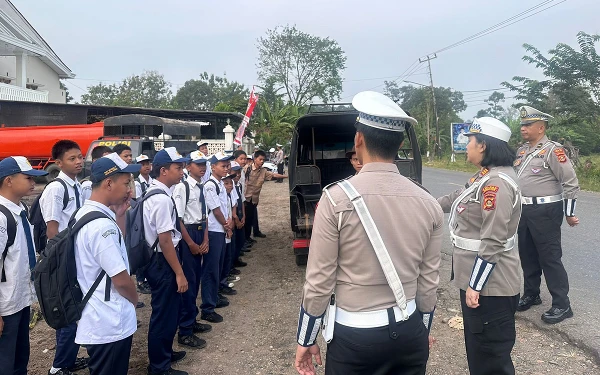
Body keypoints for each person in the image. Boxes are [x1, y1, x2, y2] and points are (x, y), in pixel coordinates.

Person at [294, 91, 442, 375]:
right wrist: (423, 330)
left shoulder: (336, 199)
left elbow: (319, 281)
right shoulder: (428, 202)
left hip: (355, 337)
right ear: (399, 143)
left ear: (358, 140)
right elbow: (428, 281)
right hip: (409, 331)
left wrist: (306, 337)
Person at [438, 117, 522, 375]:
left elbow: (493, 240)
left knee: (491, 357)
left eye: (470, 141)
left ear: (483, 145)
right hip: (480, 283)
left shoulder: (497, 185)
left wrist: (475, 285)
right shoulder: (484, 177)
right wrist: (420, 203)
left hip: (490, 287)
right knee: (480, 352)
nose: (467, 147)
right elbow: (454, 199)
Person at [73, 153, 140, 375]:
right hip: (109, 321)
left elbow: (110, 252)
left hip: (98, 316)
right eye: (125, 182)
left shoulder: (86, 213)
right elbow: (121, 280)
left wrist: (120, 215)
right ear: (109, 183)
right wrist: (135, 298)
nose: (129, 188)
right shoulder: (102, 226)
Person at [514, 106, 580, 324]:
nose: (523, 128)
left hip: (545, 211)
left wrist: (569, 213)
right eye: (522, 124)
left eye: (528, 125)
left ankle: (562, 304)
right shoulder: (522, 151)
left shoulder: (554, 150)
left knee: (550, 257)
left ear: (541, 128)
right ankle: (531, 294)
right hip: (524, 210)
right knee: (528, 255)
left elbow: (570, 181)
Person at [40, 140, 89, 375]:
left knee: (76, 312)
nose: (79, 161)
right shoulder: (56, 188)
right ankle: (58, 367)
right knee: (67, 313)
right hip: (62, 260)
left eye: (80, 157)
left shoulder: (76, 186)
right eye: (72, 158)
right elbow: (52, 230)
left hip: (75, 256)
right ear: (58, 163)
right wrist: (63, 263)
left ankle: (68, 360)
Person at [143, 147, 190, 375]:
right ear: (163, 171)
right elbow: (165, 240)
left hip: (163, 260)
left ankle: (165, 354)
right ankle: (159, 367)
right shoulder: (160, 199)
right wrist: (179, 273)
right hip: (163, 262)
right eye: (177, 168)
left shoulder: (159, 193)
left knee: (170, 311)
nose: (182, 172)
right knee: (163, 314)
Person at [0, 157, 48, 375]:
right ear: (9, 181)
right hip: (5, 306)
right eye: (28, 178)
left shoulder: (20, 210)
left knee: (20, 360)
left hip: (20, 300)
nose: (33, 183)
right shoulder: (2, 217)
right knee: (5, 364)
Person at [172, 151, 212, 349]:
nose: (202, 167)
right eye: (197, 164)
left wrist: (205, 238)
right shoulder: (182, 187)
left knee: (196, 279)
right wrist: (190, 243)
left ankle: (192, 319)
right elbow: (178, 220)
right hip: (188, 234)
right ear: (188, 166)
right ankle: (185, 330)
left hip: (199, 232)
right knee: (188, 282)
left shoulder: (201, 187)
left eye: (204, 163)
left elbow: (204, 215)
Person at [201, 152, 233, 323]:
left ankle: (214, 297)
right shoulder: (210, 186)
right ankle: (207, 307)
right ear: (213, 167)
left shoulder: (220, 183)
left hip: (220, 229)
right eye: (222, 165)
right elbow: (216, 209)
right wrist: (227, 225)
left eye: (227, 165)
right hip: (214, 230)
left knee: (218, 266)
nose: (226, 168)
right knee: (210, 270)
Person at [243, 150, 287, 240]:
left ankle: (252, 235)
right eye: (260, 159)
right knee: (246, 220)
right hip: (245, 199)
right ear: (255, 159)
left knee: (252, 218)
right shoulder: (246, 169)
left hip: (254, 199)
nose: (262, 161)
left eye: (263, 160)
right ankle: (246, 239)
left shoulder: (263, 171)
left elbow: (274, 175)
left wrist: (286, 176)